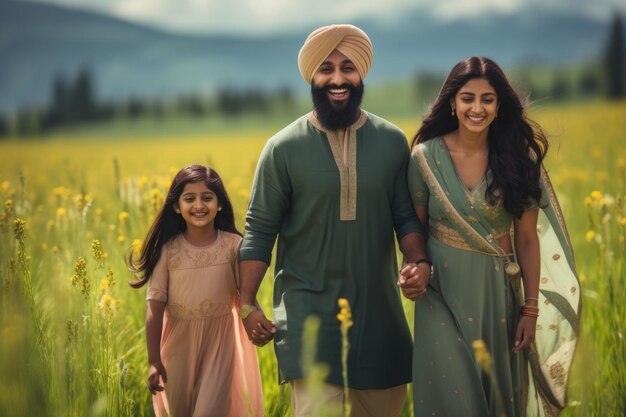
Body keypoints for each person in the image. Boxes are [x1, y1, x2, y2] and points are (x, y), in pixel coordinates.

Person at [237, 24, 430, 417]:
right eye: (326, 69)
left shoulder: (392, 141)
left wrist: (418, 263)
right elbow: (259, 230)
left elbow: (405, 216)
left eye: (348, 68)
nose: (338, 79)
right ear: (312, 76)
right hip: (307, 316)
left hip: (380, 317)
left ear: (362, 73)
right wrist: (245, 302)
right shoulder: (282, 148)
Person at [405, 56, 581, 417]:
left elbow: (528, 240)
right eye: (468, 97)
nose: (477, 107)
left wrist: (530, 309)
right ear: (452, 102)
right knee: (453, 399)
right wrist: (413, 270)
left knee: (496, 400)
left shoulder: (518, 160)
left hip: (498, 298)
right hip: (440, 296)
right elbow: (415, 233)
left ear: (500, 106)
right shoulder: (424, 158)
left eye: (488, 99)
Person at [127, 164, 263, 417]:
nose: (198, 205)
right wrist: (153, 361)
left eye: (207, 198)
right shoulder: (168, 251)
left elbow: (246, 296)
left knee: (209, 411)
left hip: (220, 346)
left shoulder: (234, 246)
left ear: (219, 204)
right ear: (177, 207)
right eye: (189, 199)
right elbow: (154, 310)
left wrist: (256, 320)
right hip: (177, 349)